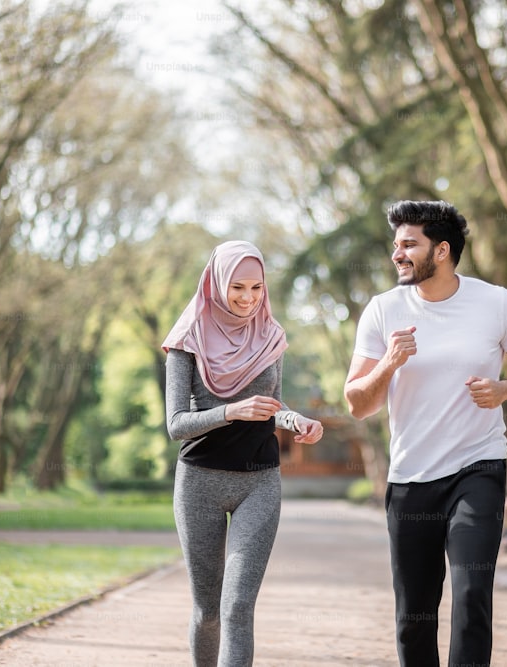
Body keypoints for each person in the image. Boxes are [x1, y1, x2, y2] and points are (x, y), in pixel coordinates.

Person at [344, 200, 507, 666]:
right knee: (414, 614)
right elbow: (359, 403)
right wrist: (388, 364)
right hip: (411, 478)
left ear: (441, 251)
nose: (397, 254)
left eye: (408, 244)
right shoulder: (383, 310)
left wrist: (505, 389)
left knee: (471, 593)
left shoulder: (498, 303)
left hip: (477, 469)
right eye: (395, 245)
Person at [162, 240, 323, 667]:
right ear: (216, 283)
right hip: (199, 484)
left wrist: (297, 422)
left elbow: (274, 404)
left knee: (237, 608)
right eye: (238, 287)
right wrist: (231, 411)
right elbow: (176, 424)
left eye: (257, 287)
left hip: (259, 481)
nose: (249, 298)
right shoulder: (186, 339)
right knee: (208, 611)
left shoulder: (271, 335)